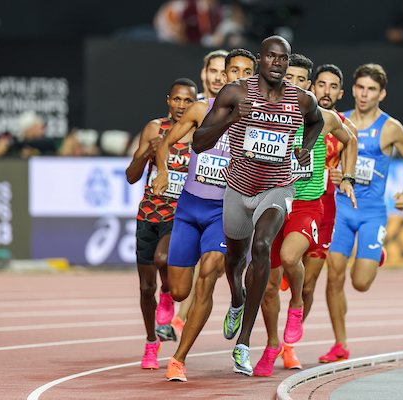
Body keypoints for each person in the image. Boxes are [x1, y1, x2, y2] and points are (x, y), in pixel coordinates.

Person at [184, 35, 325, 376]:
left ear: (287, 62)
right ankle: (237, 299)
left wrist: (305, 147)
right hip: (237, 189)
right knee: (234, 262)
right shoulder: (235, 93)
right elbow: (198, 143)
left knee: (261, 247)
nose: (277, 63)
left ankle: (244, 343)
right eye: (271, 57)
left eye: (283, 58)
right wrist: (232, 118)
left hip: (277, 188)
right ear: (260, 59)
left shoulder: (301, 99)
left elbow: (317, 121)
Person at [151, 49, 257, 382]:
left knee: (209, 272)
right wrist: (163, 171)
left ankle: (178, 358)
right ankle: (176, 301)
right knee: (180, 291)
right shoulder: (200, 109)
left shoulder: (259, 119)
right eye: (234, 70)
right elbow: (165, 143)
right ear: (223, 76)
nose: (240, 77)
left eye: (247, 72)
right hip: (188, 209)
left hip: (224, 211)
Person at [253, 56, 357, 376]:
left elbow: (351, 140)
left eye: (301, 80)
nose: (295, 85)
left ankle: (295, 313)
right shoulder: (268, 113)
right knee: (269, 287)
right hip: (273, 203)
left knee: (295, 264)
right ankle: (272, 346)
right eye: (290, 78)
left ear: (308, 85)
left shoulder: (325, 117)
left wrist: (347, 177)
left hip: (309, 205)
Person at [322, 63, 403, 363]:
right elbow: (326, 157)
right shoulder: (338, 121)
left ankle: (375, 253)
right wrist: (334, 173)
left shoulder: (390, 128)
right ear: (352, 90)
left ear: (382, 94)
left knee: (360, 283)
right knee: (334, 276)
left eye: (372, 90)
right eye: (361, 88)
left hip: (371, 212)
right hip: (341, 208)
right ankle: (340, 343)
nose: (365, 95)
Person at [125, 78, 197, 370]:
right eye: (177, 99)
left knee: (162, 259)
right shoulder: (154, 129)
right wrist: (147, 152)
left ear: (195, 104)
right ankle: (151, 341)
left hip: (179, 214)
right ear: (168, 100)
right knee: (145, 288)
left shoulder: (200, 135)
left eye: (188, 101)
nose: (181, 105)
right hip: (148, 214)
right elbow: (131, 176)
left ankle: (167, 293)